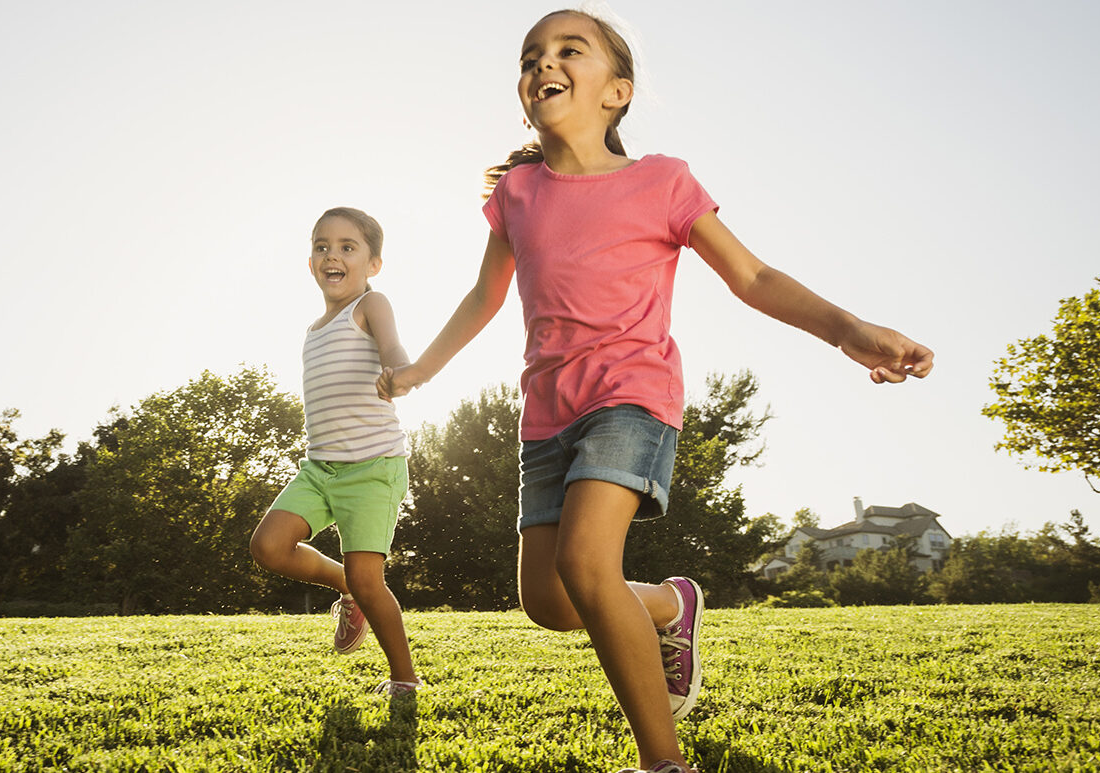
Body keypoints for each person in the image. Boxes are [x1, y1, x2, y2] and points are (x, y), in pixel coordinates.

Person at [377, 9, 933, 773]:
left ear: (618, 90)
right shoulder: (517, 193)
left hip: (631, 396)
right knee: (551, 601)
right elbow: (484, 297)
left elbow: (753, 276)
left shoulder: (661, 180)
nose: (546, 61)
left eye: (571, 49)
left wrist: (846, 329)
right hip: (546, 415)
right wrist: (421, 369)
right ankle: (673, 604)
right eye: (532, 54)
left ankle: (663, 763)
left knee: (586, 561)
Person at [250, 207, 423, 697]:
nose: (333, 255)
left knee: (371, 579)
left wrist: (399, 371)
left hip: (373, 468)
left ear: (373, 264)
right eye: (323, 246)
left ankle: (405, 679)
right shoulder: (313, 331)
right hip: (319, 468)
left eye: (348, 247)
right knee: (268, 547)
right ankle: (345, 587)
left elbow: (392, 347)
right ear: (310, 263)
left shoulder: (371, 305)